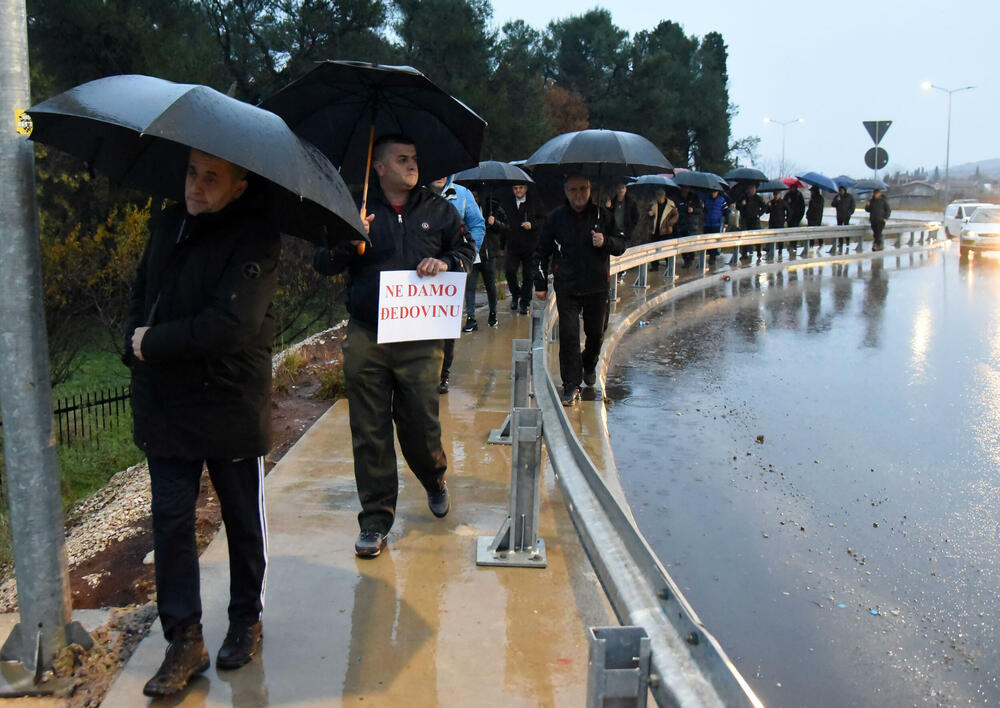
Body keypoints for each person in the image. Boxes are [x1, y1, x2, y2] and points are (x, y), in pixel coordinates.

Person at [125, 149, 279, 697]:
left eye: (211, 177)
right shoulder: (169, 224)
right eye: (192, 172)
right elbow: (142, 296)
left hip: (229, 402)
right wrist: (131, 341)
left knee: (242, 519)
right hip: (166, 404)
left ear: (239, 186)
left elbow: (229, 325)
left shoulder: (257, 237)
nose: (196, 186)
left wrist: (151, 343)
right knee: (170, 521)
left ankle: (246, 620)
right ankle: (184, 639)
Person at [312, 134, 474, 558]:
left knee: (420, 423)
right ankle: (375, 519)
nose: (412, 165)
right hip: (368, 334)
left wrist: (448, 262)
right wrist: (350, 240)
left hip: (420, 336)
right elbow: (322, 263)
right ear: (378, 167)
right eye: (402, 159)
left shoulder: (439, 210)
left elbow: (466, 249)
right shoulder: (355, 207)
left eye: (414, 158)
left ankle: (433, 476)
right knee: (369, 430)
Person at [533, 174, 627, 406]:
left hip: (597, 286)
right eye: (573, 190)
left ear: (590, 189)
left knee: (596, 334)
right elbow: (541, 251)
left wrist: (605, 241)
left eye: (583, 189)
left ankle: (589, 363)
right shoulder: (556, 218)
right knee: (569, 336)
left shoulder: (602, 216)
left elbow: (621, 245)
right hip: (568, 287)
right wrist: (540, 284)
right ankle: (571, 384)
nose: (578, 195)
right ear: (566, 192)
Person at [428, 175, 485, 394]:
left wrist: (467, 255)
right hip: (420, 272)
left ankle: (443, 374)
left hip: (451, 271)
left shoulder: (462, 195)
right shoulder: (417, 195)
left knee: (447, 325)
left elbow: (477, 225)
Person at [502, 182, 546, 314]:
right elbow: (504, 225)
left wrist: (532, 224)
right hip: (513, 245)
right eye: (515, 188)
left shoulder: (534, 201)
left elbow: (543, 219)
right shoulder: (508, 203)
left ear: (526, 188)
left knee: (528, 275)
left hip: (530, 245)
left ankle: (525, 302)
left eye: (520, 188)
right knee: (510, 271)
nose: (518, 191)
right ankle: (516, 295)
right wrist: (501, 245)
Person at [647, 188, 678, 270]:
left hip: (666, 231)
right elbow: (646, 215)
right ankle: (654, 266)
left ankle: (669, 266)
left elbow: (676, 215)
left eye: (660, 197)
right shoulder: (653, 204)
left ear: (664, 197)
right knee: (654, 249)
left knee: (666, 249)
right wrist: (650, 214)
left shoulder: (670, 204)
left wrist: (670, 223)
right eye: (658, 197)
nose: (659, 199)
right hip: (655, 230)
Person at [674, 184, 704, 267]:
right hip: (680, 224)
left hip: (691, 224)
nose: (685, 189)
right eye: (683, 187)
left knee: (690, 242)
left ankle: (690, 258)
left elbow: (700, 210)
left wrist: (693, 210)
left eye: (687, 187)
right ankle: (686, 260)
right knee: (682, 244)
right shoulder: (677, 198)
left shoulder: (694, 198)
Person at [736, 183, 766, 261]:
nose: (752, 190)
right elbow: (737, 206)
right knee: (745, 237)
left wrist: (759, 214)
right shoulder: (744, 197)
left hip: (755, 220)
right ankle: (744, 254)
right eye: (750, 189)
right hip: (745, 220)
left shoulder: (758, 198)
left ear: (755, 190)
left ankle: (759, 252)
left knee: (757, 237)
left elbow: (764, 207)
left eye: (753, 189)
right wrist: (742, 204)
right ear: (748, 189)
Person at [700, 189, 729, 264]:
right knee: (706, 242)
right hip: (707, 223)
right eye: (712, 192)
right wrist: (703, 207)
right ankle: (707, 256)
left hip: (716, 224)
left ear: (717, 192)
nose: (713, 193)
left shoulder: (722, 200)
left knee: (714, 242)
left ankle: (712, 258)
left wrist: (726, 222)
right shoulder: (706, 199)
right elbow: (703, 212)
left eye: (714, 192)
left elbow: (726, 211)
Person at [830, 186, 856, 252]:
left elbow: (853, 205)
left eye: (842, 190)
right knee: (839, 229)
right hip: (839, 215)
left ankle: (847, 241)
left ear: (845, 190)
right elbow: (833, 204)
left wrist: (850, 212)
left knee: (846, 228)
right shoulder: (837, 197)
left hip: (846, 215)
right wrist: (837, 201)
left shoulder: (849, 196)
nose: (841, 191)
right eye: (840, 190)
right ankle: (840, 242)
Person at [766, 191, 789, 256]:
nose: (776, 196)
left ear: (779, 195)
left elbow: (789, 211)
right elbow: (767, 212)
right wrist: (768, 206)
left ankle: (780, 250)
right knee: (770, 237)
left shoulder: (783, 202)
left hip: (780, 222)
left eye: (777, 194)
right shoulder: (771, 202)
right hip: (772, 222)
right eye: (775, 195)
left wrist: (786, 219)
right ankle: (769, 250)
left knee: (780, 238)